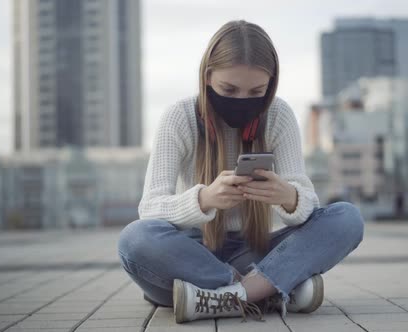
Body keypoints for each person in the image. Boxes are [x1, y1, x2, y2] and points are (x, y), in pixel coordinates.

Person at [117, 20, 365, 324]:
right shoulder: (179, 117)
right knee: (134, 239)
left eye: (256, 91)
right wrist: (205, 199)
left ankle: (224, 297)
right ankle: (266, 291)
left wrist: (288, 197)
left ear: (270, 86)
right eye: (229, 89)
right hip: (191, 254)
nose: (241, 101)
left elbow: (308, 207)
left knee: (346, 218)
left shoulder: (278, 115)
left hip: (255, 252)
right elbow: (150, 208)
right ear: (207, 77)